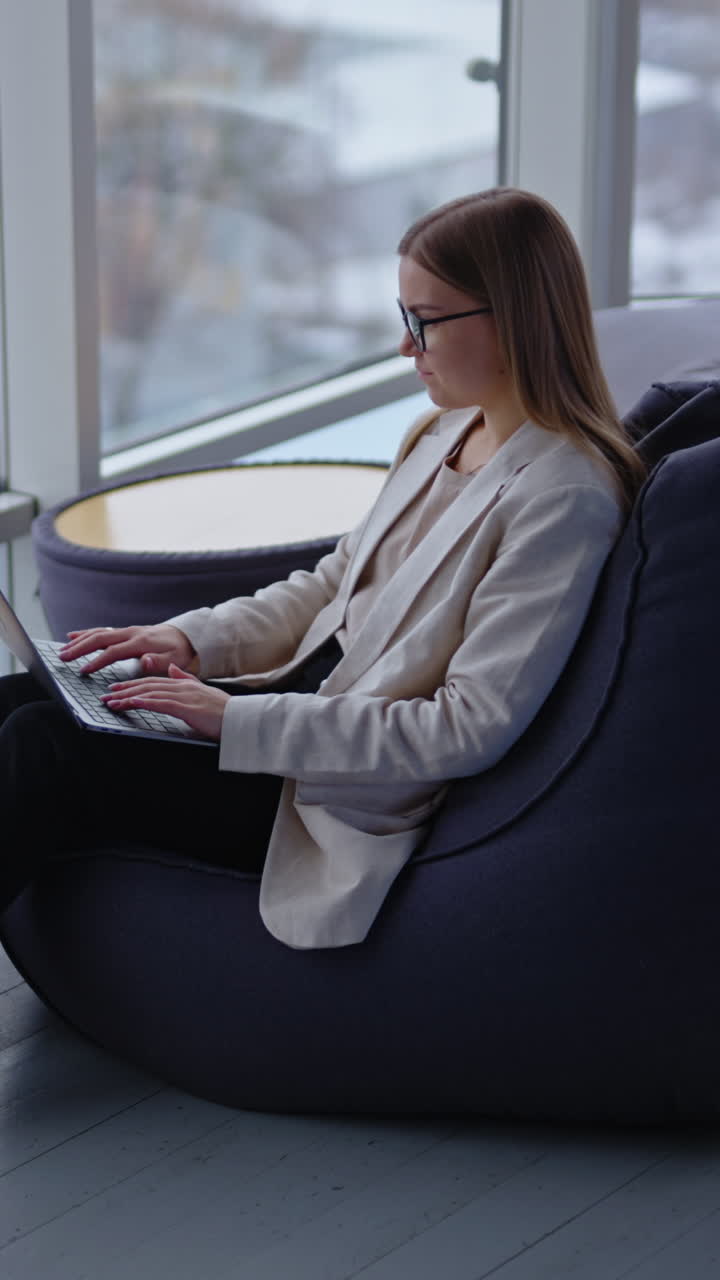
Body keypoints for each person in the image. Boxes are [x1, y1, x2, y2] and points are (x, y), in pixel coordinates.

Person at [0, 187, 648, 949]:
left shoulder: (564, 496)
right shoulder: (442, 432)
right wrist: (189, 643)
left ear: (515, 315)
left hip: (324, 792)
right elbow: (331, 584)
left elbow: (466, 728)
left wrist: (232, 719)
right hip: (282, 719)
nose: (407, 347)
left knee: (43, 747)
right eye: (404, 317)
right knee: (19, 700)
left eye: (426, 321)